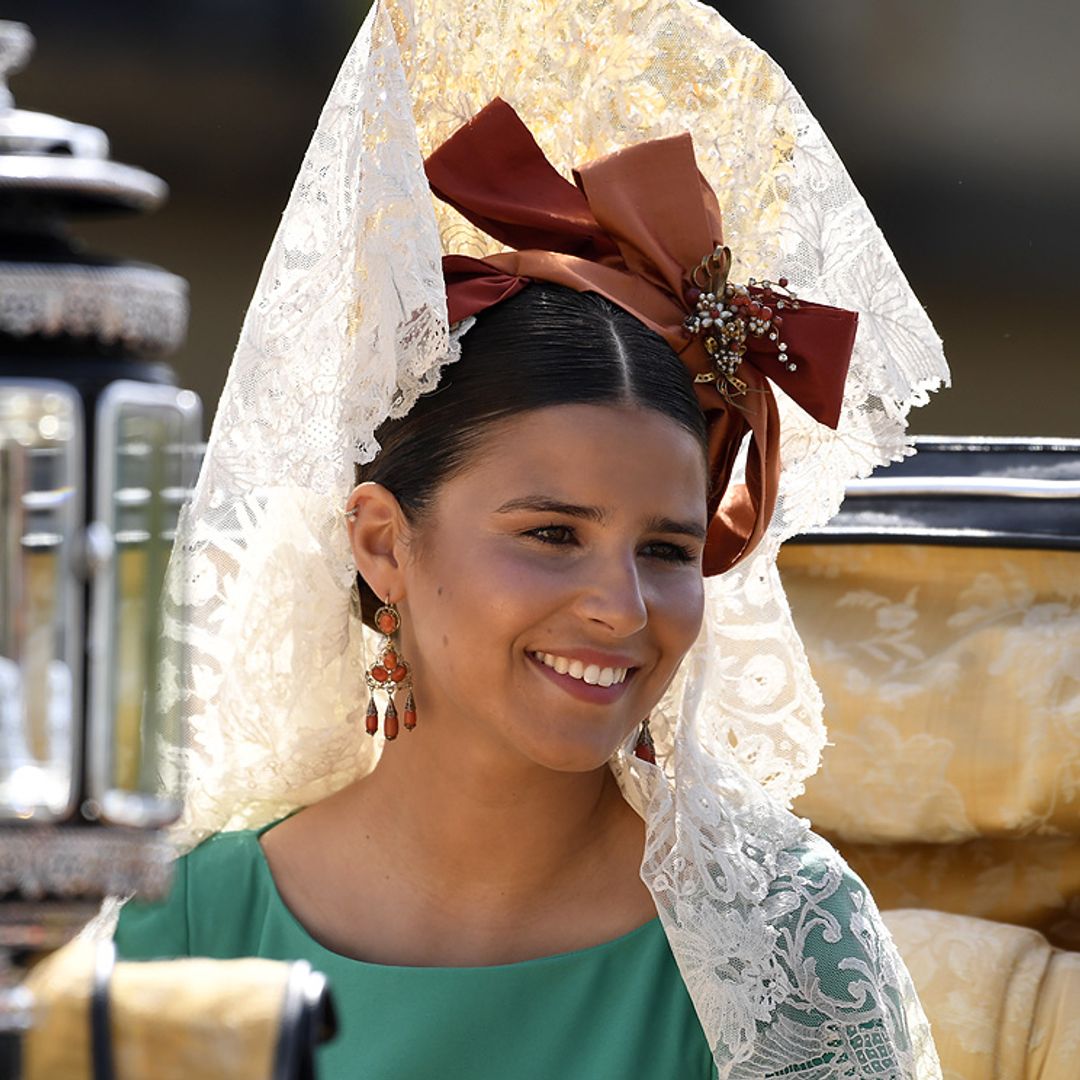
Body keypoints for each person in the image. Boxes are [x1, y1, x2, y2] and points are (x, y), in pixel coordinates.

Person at [114, 2, 949, 1076]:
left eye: (665, 548)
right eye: (553, 533)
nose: (622, 607)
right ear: (382, 545)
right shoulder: (186, 928)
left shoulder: (778, 950)